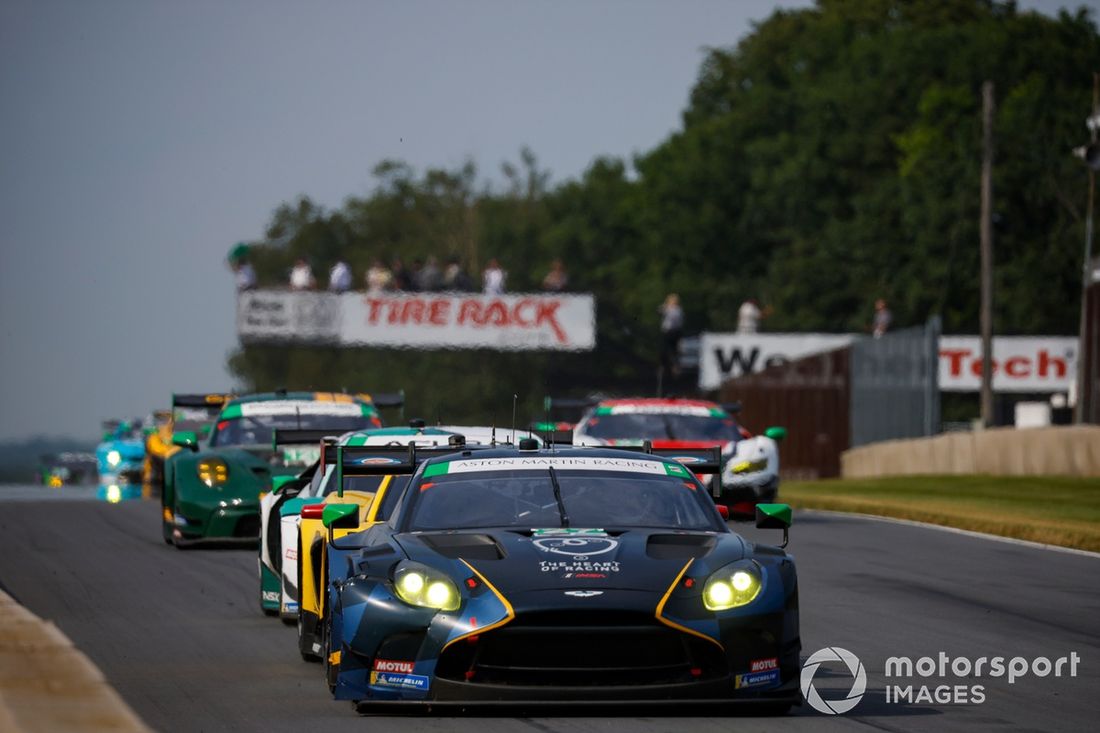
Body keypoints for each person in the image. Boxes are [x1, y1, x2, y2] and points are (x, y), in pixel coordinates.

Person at [658, 293, 684, 376]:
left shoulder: (674, 310)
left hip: (670, 332)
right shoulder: (678, 310)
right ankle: (669, 367)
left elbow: (660, 311)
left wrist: (665, 307)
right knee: (671, 350)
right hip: (675, 332)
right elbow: (659, 310)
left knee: (669, 350)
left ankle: (669, 367)